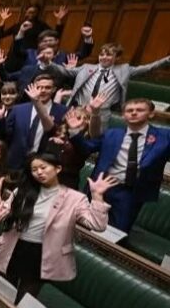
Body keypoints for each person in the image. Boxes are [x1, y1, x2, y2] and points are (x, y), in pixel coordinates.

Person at [0, 153, 116, 302]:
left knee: (24, 300)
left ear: (58, 168)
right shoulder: (23, 191)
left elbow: (97, 225)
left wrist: (97, 196)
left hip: (42, 255)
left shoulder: (74, 198)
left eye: (43, 167)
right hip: (14, 249)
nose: (39, 172)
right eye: (34, 169)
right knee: (0, 295)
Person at [69, 98, 170, 231]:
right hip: (100, 186)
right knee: (86, 225)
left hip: (131, 193)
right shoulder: (112, 134)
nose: (133, 113)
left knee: (116, 233)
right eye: (129, 110)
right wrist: (74, 132)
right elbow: (87, 148)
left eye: (139, 110)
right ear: (123, 115)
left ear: (151, 114)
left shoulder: (165, 136)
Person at [65, 44, 170, 130]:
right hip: (79, 108)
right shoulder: (87, 68)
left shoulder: (124, 70)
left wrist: (167, 60)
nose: (104, 57)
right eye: (102, 54)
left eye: (109, 55)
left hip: (102, 113)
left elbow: (148, 68)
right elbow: (61, 72)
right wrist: (48, 63)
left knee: (94, 139)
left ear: (117, 57)